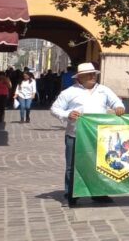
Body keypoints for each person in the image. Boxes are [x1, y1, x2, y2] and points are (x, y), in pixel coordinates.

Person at [50, 63, 125, 207]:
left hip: (99, 135)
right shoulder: (69, 92)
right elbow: (54, 109)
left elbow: (117, 102)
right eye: (89, 74)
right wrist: (68, 114)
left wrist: (119, 107)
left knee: (99, 165)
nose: (92, 76)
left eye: (94, 74)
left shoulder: (104, 90)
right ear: (80, 77)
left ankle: (98, 193)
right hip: (75, 134)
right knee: (72, 166)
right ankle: (71, 195)